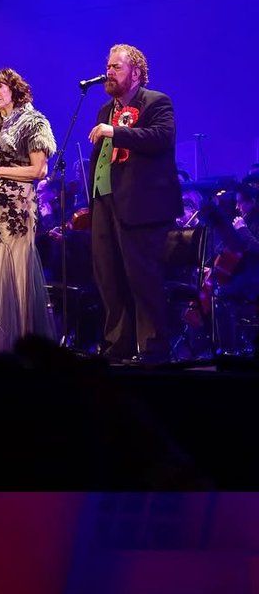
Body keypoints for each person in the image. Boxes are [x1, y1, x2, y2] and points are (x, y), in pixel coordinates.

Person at [88, 43, 182, 363]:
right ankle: (119, 344)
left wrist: (115, 131)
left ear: (136, 73)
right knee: (108, 275)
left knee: (142, 277)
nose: (108, 72)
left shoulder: (156, 102)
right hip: (105, 200)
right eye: (108, 66)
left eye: (116, 67)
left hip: (141, 206)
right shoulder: (105, 110)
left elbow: (160, 138)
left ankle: (153, 347)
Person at [0, 68, 57, 348]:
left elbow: (39, 170)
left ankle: (22, 344)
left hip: (17, 210)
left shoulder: (32, 121)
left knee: (17, 277)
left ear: (14, 89)